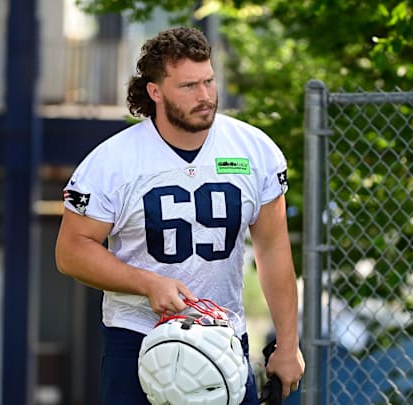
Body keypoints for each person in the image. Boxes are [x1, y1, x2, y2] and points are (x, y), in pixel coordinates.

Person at [55, 26, 305, 404]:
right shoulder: (112, 162)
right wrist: (147, 283)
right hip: (137, 337)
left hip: (223, 338)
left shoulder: (255, 151)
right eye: (189, 86)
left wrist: (288, 345)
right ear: (155, 92)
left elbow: (273, 250)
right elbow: (71, 251)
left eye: (208, 81)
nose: (205, 96)